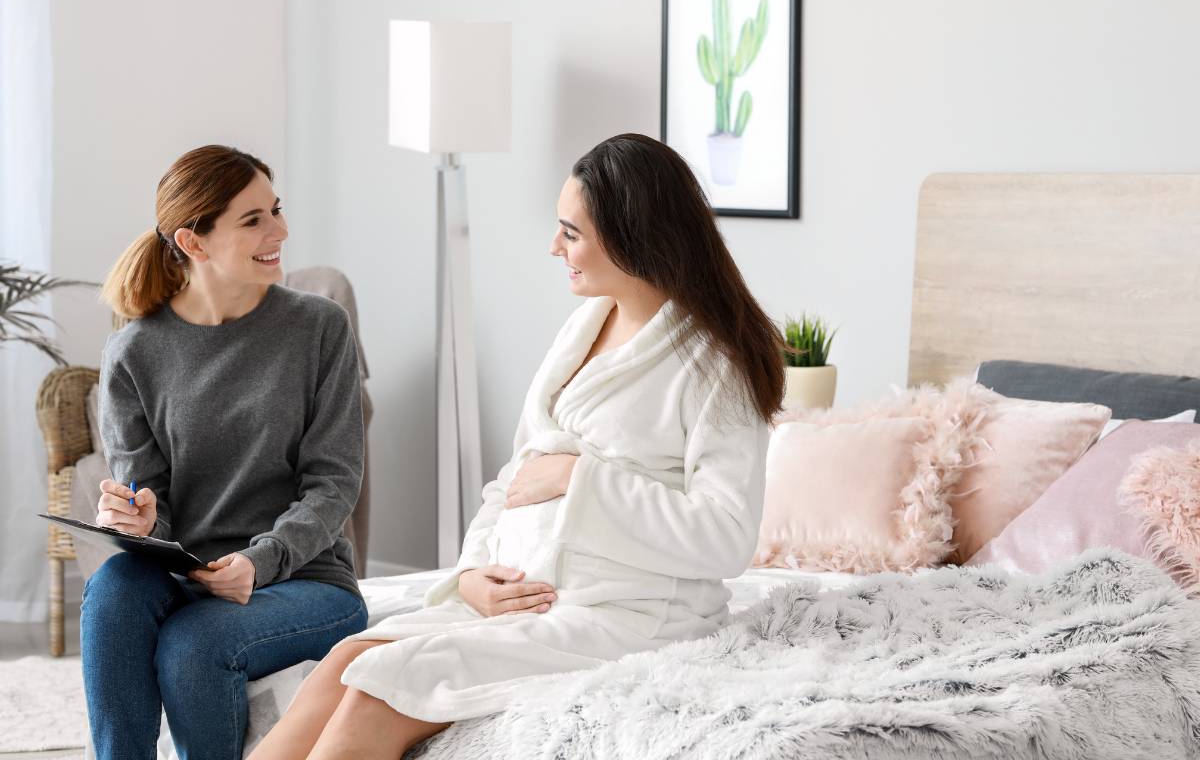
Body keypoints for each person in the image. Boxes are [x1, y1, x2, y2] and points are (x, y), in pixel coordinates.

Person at [251, 132, 786, 759]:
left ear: (631, 236)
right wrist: (472, 575)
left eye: (571, 232)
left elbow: (725, 538)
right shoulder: (584, 327)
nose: (553, 246)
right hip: (515, 599)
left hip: (623, 617)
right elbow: (516, 477)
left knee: (379, 689)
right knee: (344, 662)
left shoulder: (715, 365)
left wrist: (580, 480)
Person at [83, 145, 369, 759]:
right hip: (186, 572)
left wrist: (260, 562)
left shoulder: (320, 327)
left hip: (305, 580)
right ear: (194, 241)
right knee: (111, 593)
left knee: (195, 644)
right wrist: (136, 520)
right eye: (254, 220)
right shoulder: (134, 351)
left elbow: (333, 483)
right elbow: (150, 502)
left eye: (276, 210)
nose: (281, 231)